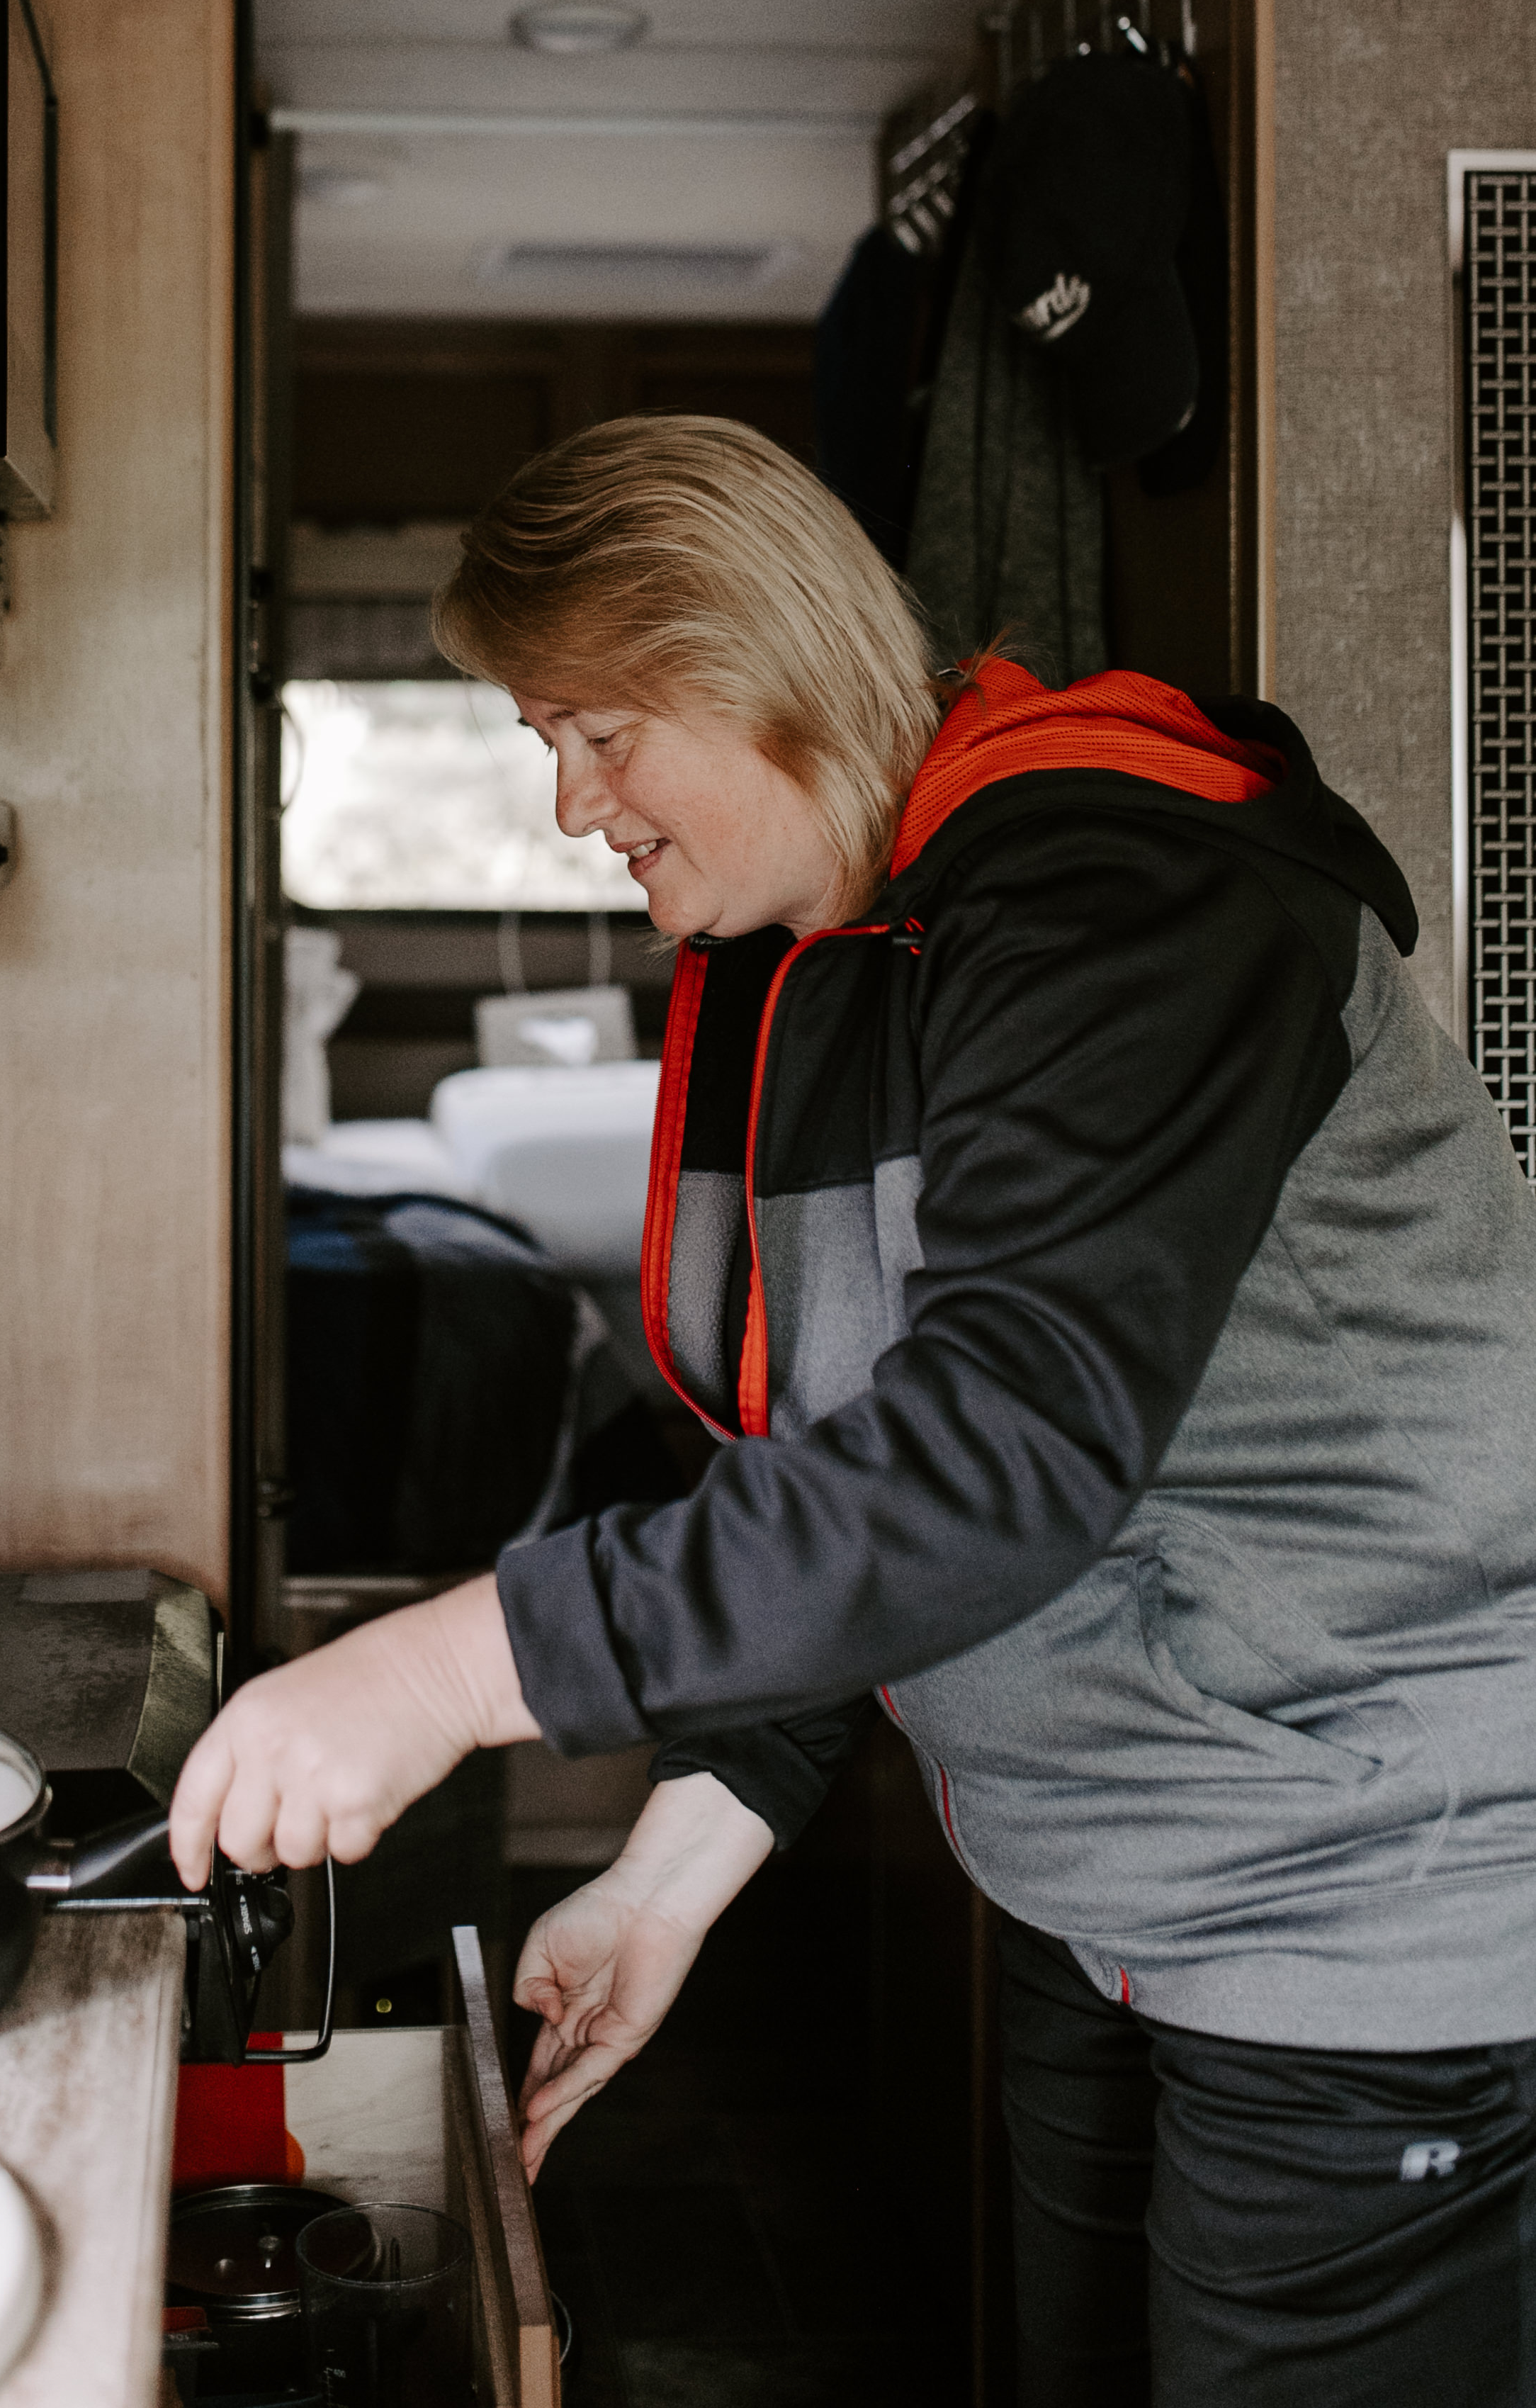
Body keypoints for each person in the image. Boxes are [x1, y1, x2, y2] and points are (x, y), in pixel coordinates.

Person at [169, 414, 1536, 2407]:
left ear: (747, 659)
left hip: (1374, 1910)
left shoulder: (1114, 899)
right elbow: (849, 1470)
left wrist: (448, 1667)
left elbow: (991, 1461)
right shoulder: (828, 965)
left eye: (595, 731)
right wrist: (670, 1865)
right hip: (1119, 1890)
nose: (568, 807)